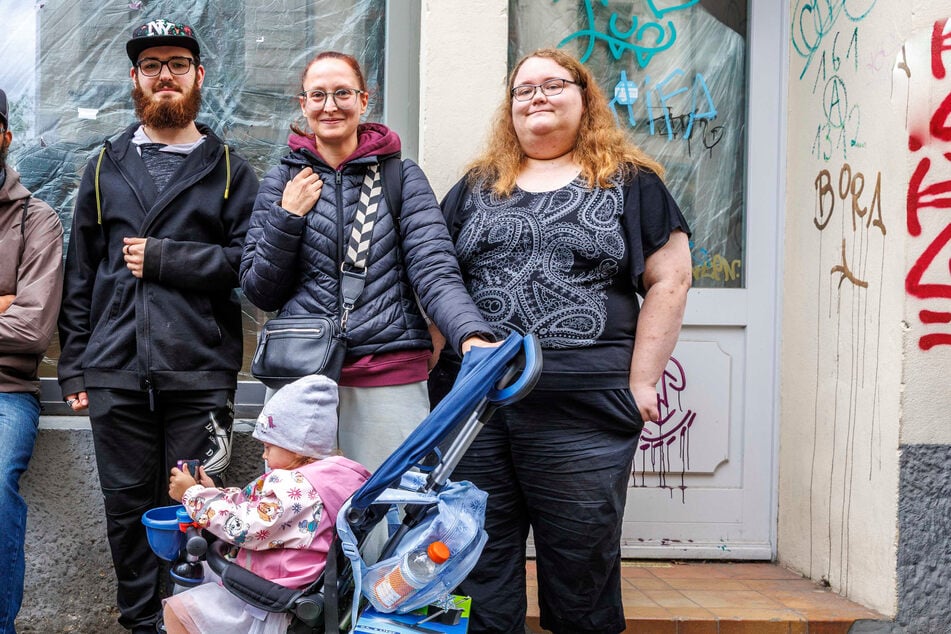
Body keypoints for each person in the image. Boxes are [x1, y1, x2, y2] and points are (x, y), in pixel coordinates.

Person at [433, 48, 693, 634]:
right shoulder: (476, 186)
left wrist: (643, 379)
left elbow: (670, 278)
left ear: (585, 99)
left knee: (582, 561)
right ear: (510, 109)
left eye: (553, 85)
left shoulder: (631, 182)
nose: (537, 97)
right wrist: (432, 390)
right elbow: (439, 283)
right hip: (477, 408)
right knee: (475, 557)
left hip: (585, 409)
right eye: (524, 90)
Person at [56, 18, 259, 633]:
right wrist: (73, 362)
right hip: (115, 370)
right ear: (135, 80)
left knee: (199, 510)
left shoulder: (228, 168)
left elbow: (251, 265)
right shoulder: (102, 167)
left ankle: (193, 622)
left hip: (199, 371)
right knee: (126, 509)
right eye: (151, 66)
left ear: (199, 76)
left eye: (176, 63)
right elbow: (81, 271)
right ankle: (141, 622)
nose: (164, 75)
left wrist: (168, 257)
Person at [240, 51, 495, 471]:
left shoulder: (401, 176)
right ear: (303, 105)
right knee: (295, 524)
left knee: (384, 518)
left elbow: (434, 268)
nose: (330, 105)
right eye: (318, 94)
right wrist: (287, 218)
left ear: (364, 100)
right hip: (299, 377)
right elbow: (259, 291)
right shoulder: (282, 181)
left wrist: (469, 334)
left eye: (342, 92)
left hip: (388, 372)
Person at [163, 374, 371, 634]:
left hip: (270, 598)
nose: (263, 455)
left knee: (179, 612)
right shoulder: (325, 480)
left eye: (268, 446)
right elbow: (262, 510)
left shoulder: (295, 486)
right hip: (289, 582)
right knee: (203, 576)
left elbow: (245, 527)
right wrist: (214, 493)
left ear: (295, 447)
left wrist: (193, 495)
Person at [0, 87, 65, 634]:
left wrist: (14, 309)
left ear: (5, 136)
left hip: (6, 392)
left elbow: (31, 328)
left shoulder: (36, 220)